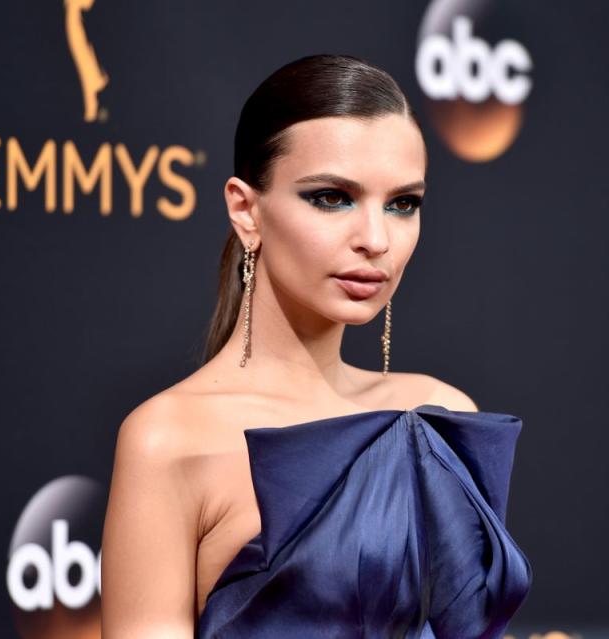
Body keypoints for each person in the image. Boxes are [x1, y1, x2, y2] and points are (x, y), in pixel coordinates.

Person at [101, 53, 531, 638]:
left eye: (403, 204)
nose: (376, 239)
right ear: (245, 209)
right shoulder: (169, 439)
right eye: (332, 197)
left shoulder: (440, 420)